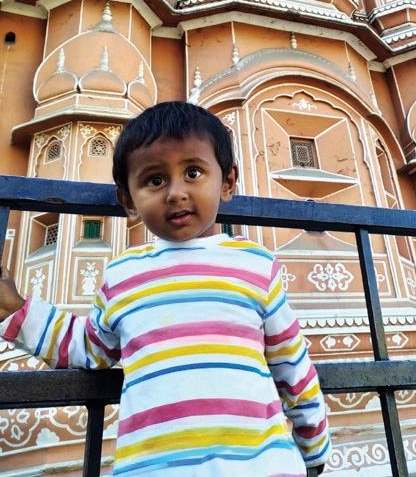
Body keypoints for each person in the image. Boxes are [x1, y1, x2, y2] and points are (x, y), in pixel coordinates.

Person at [0, 101, 330, 476]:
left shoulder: (255, 265)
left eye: (193, 172)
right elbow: (90, 348)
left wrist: (313, 450)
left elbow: (293, 368)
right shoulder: (123, 275)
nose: (175, 192)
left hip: (259, 466)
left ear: (227, 182)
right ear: (128, 200)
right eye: (155, 180)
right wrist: (17, 310)